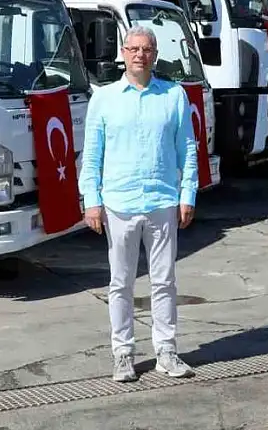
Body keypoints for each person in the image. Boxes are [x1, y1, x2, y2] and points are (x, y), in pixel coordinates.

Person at [78, 24, 199, 383]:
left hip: (162, 202)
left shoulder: (174, 96)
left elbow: (187, 150)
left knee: (164, 281)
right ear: (123, 53)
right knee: (121, 283)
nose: (139, 56)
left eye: (146, 50)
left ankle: (166, 351)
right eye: (133, 49)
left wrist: (187, 194)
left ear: (155, 55)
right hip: (119, 203)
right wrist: (92, 202)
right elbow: (92, 157)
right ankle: (123, 353)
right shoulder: (104, 98)